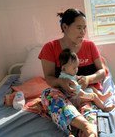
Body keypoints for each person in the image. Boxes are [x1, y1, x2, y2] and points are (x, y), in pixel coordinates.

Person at [39, 8, 105, 137]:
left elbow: (102, 72)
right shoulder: (50, 48)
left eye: (84, 28)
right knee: (49, 95)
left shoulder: (90, 46)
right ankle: (83, 126)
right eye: (79, 27)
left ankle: (86, 131)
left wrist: (88, 79)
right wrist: (60, 82)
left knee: (89, 107)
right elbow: (49, 78)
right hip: (63, 95)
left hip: (85, 94)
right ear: (65, 27)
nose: (83, 32)